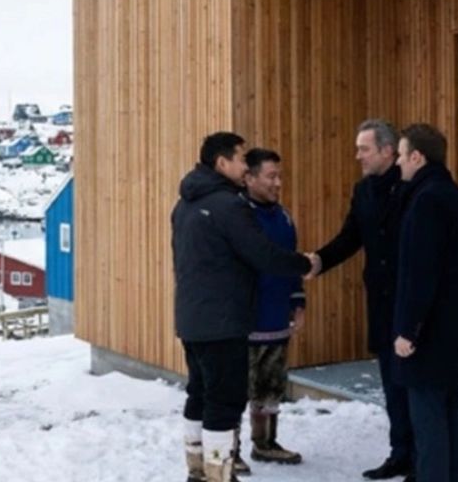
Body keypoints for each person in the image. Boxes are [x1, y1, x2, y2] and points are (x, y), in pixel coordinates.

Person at [172, 132, 317, 482]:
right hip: (223, 321)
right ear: (222, 162)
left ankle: (197, 469)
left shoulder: (185, 204)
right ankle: (219, 473)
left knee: (199, 394)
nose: (244, 166)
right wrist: (304, 264)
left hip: (192, 318)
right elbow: (262, 254)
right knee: (224, 401)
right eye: (240, 159)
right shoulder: (229, 205)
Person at [307, 119, 415, 480]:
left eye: (364, 149)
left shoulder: (412, 186)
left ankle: (422, 457)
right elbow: (350, 237)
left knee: (414, 381)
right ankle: (400, 453)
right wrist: (320, 260)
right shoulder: (363, 190)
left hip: (411, 299)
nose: (358, 156)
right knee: (391, 380)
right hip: (381, 301)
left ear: (387, 150)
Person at [391, 124, 458, 482]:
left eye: (401, 155)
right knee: (450, 412)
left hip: (429, 330)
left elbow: (421, 270)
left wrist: (408, 329)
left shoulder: (426, 200)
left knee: (428, 420)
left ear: (417, 157)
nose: (398, 162)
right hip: (455, 324)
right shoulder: (456, 196)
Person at [240, 148, 305, 469]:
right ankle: (228, 451)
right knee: (238, 389)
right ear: (249, 178)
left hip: (277, 318)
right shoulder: (238, 216)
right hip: (244, 321)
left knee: (272, 386)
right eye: (271, 176)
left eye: (279, 176)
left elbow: (292, 264)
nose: (278, 183)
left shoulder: (284, 217)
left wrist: (298, 302)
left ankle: (265, 443)